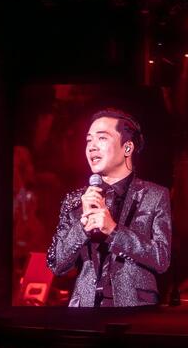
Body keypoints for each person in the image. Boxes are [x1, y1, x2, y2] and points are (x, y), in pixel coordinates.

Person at [47, 108, 171, 307]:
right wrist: (82, 227)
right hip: (85, 310)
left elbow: (161, 259)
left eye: (102, 138)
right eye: (89, 140)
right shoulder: (76, 200)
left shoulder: (155, 195)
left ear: (127, 148)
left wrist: (114, 231)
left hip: (134, 310)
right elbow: (57, 265)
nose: (92, 147)